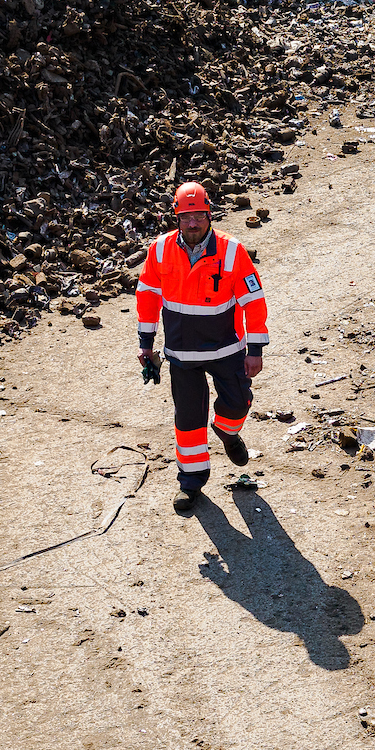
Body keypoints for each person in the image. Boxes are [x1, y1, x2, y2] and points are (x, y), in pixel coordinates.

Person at [136, 182, 267, 510]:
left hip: (227, 350)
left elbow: (254, 301)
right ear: (176, 217)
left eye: (198, 216)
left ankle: (227, 433)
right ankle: (191, 482)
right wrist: (146, 345)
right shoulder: (161, 250)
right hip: (182, 355)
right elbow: (148, 298)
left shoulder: (232, 251)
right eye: (185, 217)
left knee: (238, 404)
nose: (192, 223)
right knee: (189, 421)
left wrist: (256, 349)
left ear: (209, 215)